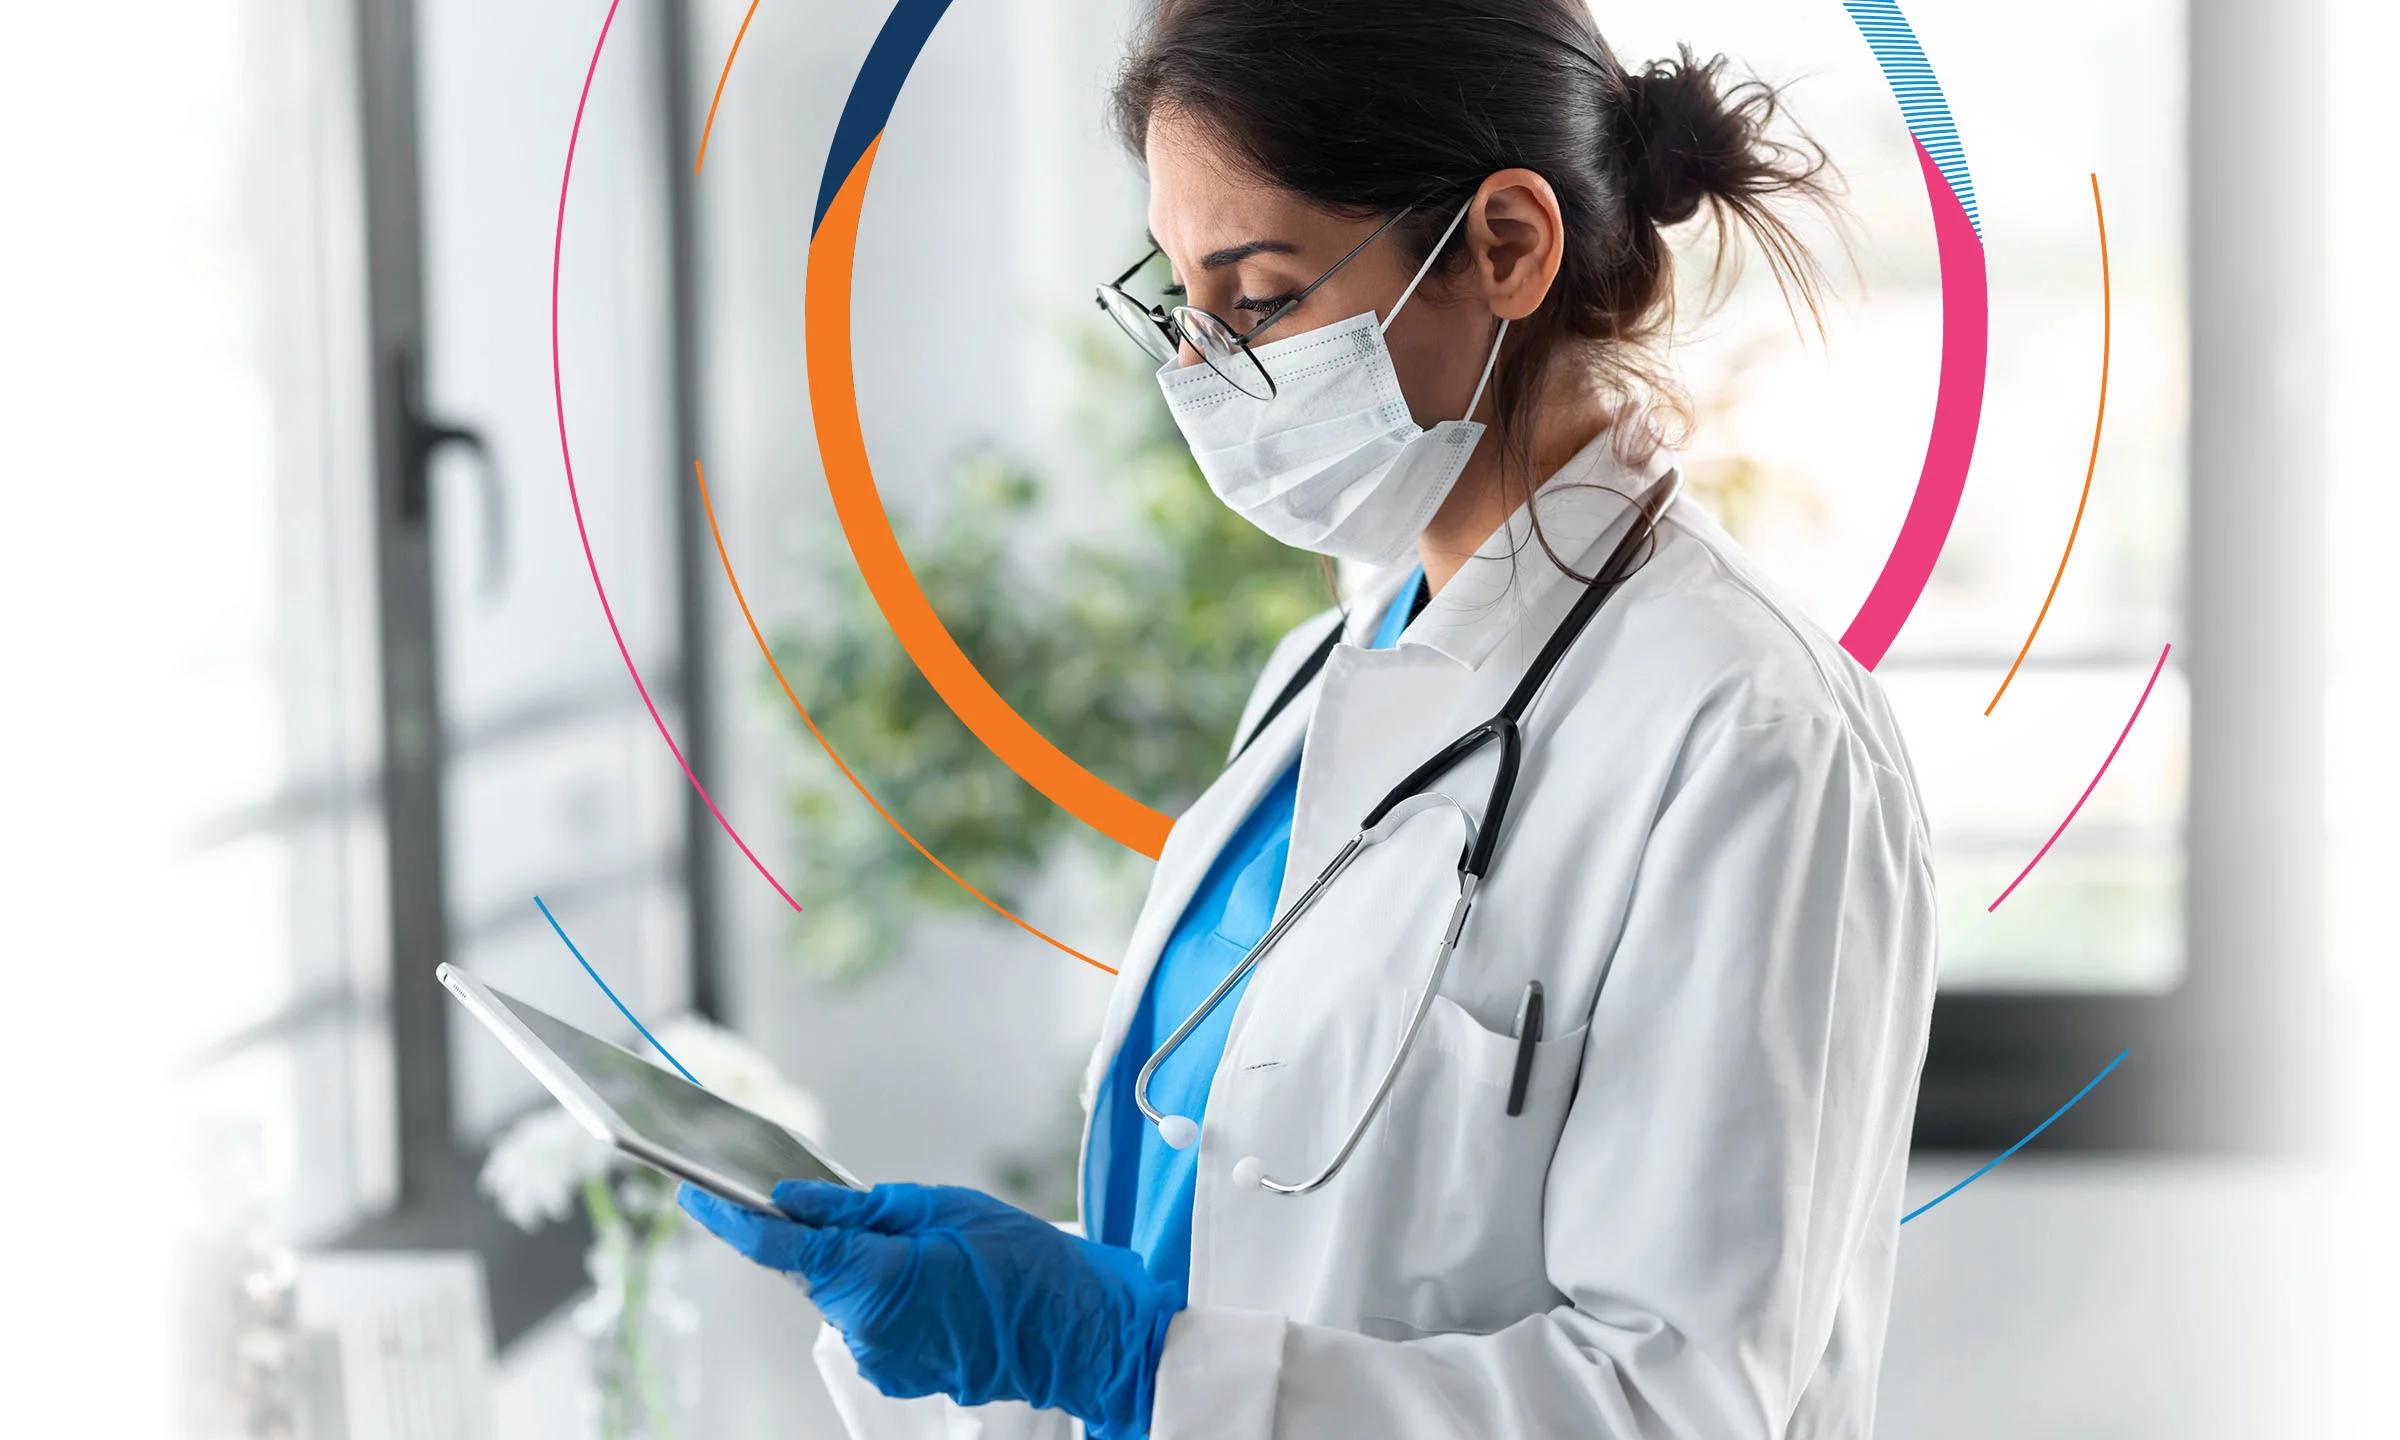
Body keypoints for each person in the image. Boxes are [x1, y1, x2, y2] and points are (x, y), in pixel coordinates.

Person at [680, 2, 1939, 1435]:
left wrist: (1128, 1362)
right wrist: (1026, 1346)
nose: (1204, 372)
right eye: (1184, 303)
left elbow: (1679, 1402)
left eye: (1261, 297)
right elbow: (1221, 1246)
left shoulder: (1749, 735)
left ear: (1507, 246)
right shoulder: (1320, 678)